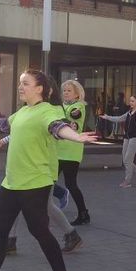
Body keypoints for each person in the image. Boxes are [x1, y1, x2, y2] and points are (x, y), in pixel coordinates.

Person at [0, 70, 96, 271]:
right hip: (10, 183)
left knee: (39, 231)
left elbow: (57, 127)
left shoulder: (48, 111)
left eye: (25, 83)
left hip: (36, 183)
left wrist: (76, 137)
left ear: (40, 88)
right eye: (20, 83)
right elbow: (5, 125)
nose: (21, 87)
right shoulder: (23, 111)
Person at [59, 79, 91, 225]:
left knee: (71, 184)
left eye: (69, 90)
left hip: (71, 152)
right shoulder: (60, 106)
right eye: (64, 90)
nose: (65, 92)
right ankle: (59, 194)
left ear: (77, 94)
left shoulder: (78, 106)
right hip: (57, 151)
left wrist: (68, 121)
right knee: (47, 179)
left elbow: (75, 114)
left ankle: (83, 213)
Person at [99, 95, 136, 187]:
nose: (130, 103)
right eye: (130, 101)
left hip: (135, 138)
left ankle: (127, 181)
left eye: (132, 101)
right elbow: (119, 118)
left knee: (128, 159)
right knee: (125, 160)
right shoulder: (128, 113)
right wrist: (107, 117)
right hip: (127, 138)